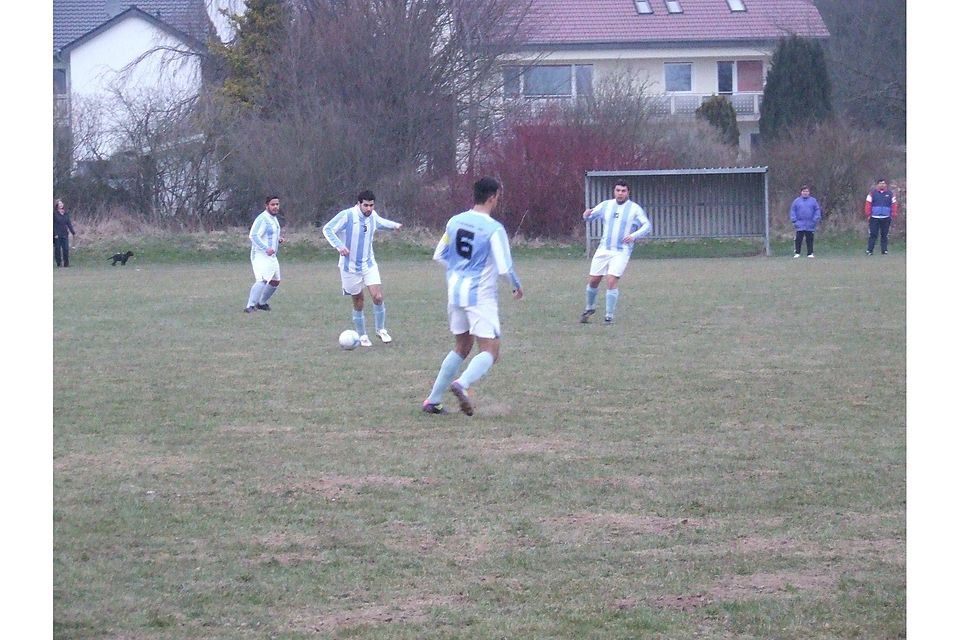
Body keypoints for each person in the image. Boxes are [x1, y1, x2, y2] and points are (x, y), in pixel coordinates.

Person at [422, 176, 523, 416]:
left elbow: (439, 254)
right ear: (492, 197)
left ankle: (433, 400)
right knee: (490, 351)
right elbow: (504, 268)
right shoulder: (494, 229)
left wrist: (459, 272)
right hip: (480, 296)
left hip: (455, 292)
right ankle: (462, 384)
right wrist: (516, 286)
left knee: (462, 346)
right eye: (498, 195)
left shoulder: (454, 221)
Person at [322, 190, 402, 346]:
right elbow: (328, 229)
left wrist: (395, 226)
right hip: (349, 267)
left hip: (368, 264)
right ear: (358, 204)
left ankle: (381, 330)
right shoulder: (347, 215)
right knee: (358, 301)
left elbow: (381, 223)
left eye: (371, 205)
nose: (369, 209)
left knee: (377, 296)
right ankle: (362, 335)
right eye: (365, 205)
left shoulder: (372, 216)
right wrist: (339, 246)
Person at [579, 180, 651, 324]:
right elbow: (589, 217)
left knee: (611, 280)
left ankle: (609, 316)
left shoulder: (634, 209)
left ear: (628, 192)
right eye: (618, 190)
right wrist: (586, 214)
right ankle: (589, 307)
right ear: (614, 191)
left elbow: (647, 225)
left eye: (623, 191)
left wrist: (634, 235)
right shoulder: (606, 205)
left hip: (621, 251)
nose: (620, 193)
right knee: (594, 280)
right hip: (604, 249)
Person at [244, 195, 284, 313]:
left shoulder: (274, 219)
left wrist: (278, 239)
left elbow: (269, 234)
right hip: (260, 255)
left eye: (277, 204)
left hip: (271, 256)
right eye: (272, 204)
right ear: (266, 206)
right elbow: (253, 235)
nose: (275, 207)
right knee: (262, 280)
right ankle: (250, 306)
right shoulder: (262, 219)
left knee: (275, 281)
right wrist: (266, 248)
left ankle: (261, 303)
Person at [865, 178, 898, 255]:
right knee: (873, 234)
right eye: (880, 183)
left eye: (883, 183)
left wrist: (893, 214)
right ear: (877, 185)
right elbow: (868, 204)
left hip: (886, 217)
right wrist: (868, 214)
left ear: (885, 185)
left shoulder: (890, 194)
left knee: (884, 235)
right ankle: (869, 250)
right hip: (874, 217)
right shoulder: (872, 194)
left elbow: (894, 204)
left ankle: (884, 251)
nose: (882, 185)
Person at [789, 184, 822, 258]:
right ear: (801, 192)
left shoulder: (813, 201)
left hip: (810, 224)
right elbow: (793, 210)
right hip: (799, 224)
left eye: (807, 191)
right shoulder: (796, 201)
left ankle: (810, 253)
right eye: (804, 191)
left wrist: (815, 218)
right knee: (798, 239)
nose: (805, 193)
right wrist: (794, 220)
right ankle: (797, 253)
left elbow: (817, 210)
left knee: (810, 239)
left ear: (809, 192)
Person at [53, 199, 77, 267]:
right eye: (59, 203)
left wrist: (73, 232)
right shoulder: (54, 214)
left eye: (61, 203)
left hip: (65, 234)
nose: (61, 204)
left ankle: (66, 264)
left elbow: (68, 224)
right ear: (57, 205)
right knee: (57, 249)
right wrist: (55, 234)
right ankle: (59, 263)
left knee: (66, 249)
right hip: (57, 235)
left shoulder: (66, 213)